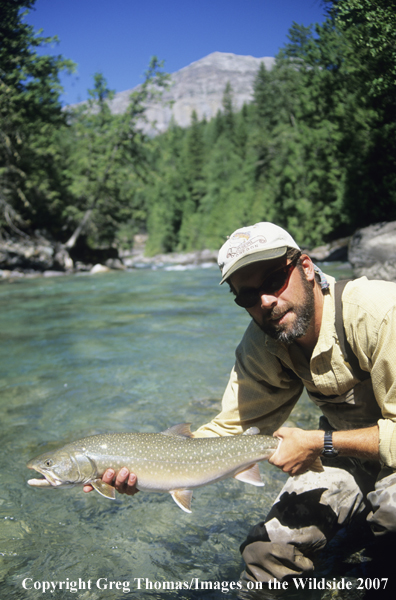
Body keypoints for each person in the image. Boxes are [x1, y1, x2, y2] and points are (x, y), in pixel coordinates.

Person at [84, 221, 396, 588]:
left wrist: (319, 443)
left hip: (359, 448)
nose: (264, 302)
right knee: (266, 558)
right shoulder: (266, 341)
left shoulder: (380, 313)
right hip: (349, 457)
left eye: (273, 281)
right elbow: (230, 429)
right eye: (247, 296)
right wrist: (153, 465)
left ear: (307, 267)